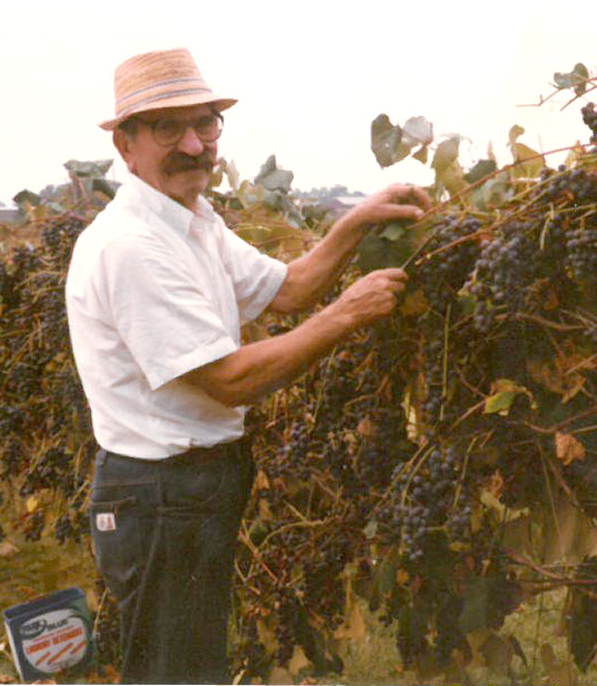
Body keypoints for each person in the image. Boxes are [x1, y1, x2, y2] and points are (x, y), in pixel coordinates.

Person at [64, 47, 428, 683]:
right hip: (158, 494)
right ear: (126, 145)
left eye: (204, 125)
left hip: (192, 486)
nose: (194, 144)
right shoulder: (132, 247)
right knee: (173, 671)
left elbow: (285, 289)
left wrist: (352, 224)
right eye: (167, 128)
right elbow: (231, 378)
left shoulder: (191, 221)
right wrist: (348, 313)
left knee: (192, 661)